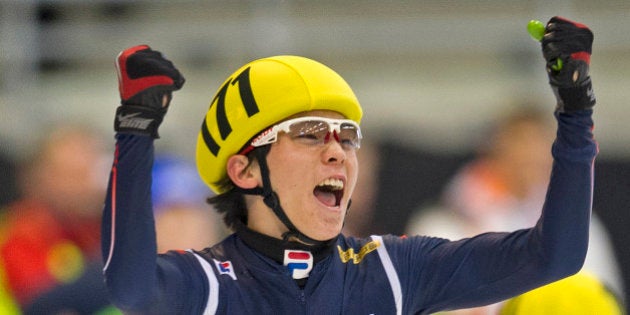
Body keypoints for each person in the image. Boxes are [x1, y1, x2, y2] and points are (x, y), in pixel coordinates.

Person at [102, 16, 598, 314]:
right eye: (311, 134)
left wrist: (576, 110)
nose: (338, 151)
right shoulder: (207, 283)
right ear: (245, 171)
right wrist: (136, 128)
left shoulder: (394, 271)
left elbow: (554, 256)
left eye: (347, 136)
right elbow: (132, 288)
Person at [405, 106, 624, 313]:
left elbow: (604, 298)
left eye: (541, 146)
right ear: (495, 150)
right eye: (522, 144)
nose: (531, 156)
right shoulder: (444, 221)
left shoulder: (578, 224)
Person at [0, 124, 110, 310]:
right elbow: (43, 304)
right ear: (39, 179)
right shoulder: (20, 234)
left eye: (92, 172)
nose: (88, 186)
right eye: (73, 176)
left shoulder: (102, 226)